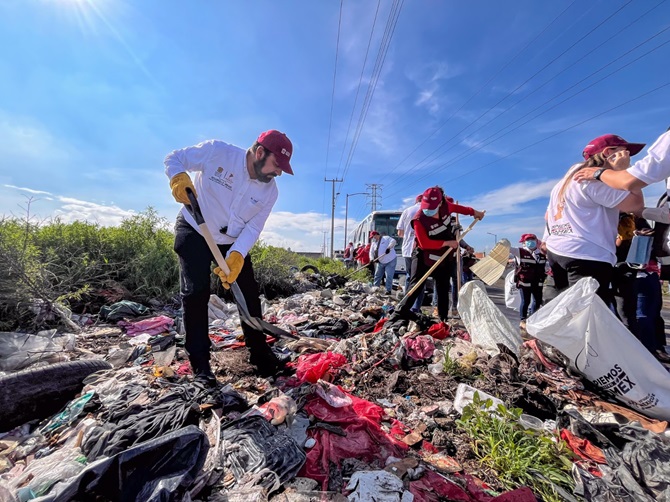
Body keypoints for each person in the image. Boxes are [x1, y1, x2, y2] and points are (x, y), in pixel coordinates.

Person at [165, 129, 294, 384]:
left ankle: (260, 356)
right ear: (259, 152)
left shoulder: (271, 192)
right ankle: (201, 366)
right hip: (195, 228)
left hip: (231, 241)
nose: (278, 172)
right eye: (276, 165)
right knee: (196, 293)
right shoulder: (218, 152)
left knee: (248, 293)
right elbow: (174, 158)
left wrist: (236, 255)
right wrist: (178, 177)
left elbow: (254, 227)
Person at [544, 133, 644, 308]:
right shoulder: (595, 180)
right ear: (608, 153)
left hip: (558, 250)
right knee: (587, 320)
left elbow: (547, 216)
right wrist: (622, 173)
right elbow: (635, 205)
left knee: (560, 315)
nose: (628, 157)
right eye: (624, 152)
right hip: (587, 255)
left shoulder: (565, 180)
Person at [392, 186, 485, 322]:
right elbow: (424, 243)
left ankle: (443, 320)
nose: (429, 210)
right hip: (423, 256)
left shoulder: (446, 207)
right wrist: (448, 243)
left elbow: (462, 209)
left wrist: (475, 213)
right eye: (426, 206)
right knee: (415, 287)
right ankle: (399, 314)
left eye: (432, 207)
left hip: (443, 257)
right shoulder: (419, 219)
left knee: (443, 288)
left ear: (441, 202)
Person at [510, 234, 547, 330]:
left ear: (536, 241)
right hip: (524, 282)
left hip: (538, 282)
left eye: (532, 239)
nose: (531, 241)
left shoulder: (542, 253)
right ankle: (523, 320)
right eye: (528, 240)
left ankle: (532, 318)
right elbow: (507, 248)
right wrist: (503, 243)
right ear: (524, 242)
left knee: (537, 301)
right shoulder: (520, 252)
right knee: (526, 301)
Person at [397, 194, 425, 310]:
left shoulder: (407, 211)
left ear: (416, 201)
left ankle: (405, 306)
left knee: (409, 277)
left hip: (407, 249)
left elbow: (400, 233)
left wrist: (409, 235)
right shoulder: (427, 210)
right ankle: (415, 307)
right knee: (420, 279)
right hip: (421, 249)